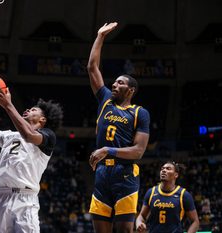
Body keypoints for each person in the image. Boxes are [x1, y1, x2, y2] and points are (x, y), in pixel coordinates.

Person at [0, 84, 63, 233]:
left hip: (25, 199)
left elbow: (29, 135)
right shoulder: (9, 135)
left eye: (34, 110)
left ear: (42, 120)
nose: (29, 110)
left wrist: (8, 105)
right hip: (1, 197)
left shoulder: (48, 137)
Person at [87, 22, 150, 233]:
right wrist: (100, 36)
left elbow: (138, 151)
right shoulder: (105, 100)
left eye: (120, 83)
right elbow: (92, 67)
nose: (114, 85)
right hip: (102, 173)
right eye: (114, 82)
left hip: (125, 175)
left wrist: (108, 150)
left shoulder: (140, 112)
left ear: (131, 90)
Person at [136, 162, 199, 233]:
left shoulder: (184, 195)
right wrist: (139, 223)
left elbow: (195, 222)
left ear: (176, 175)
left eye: (168, 169)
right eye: (162, 169)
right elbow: (141, 216)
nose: (163, 170)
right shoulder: (151, 192)